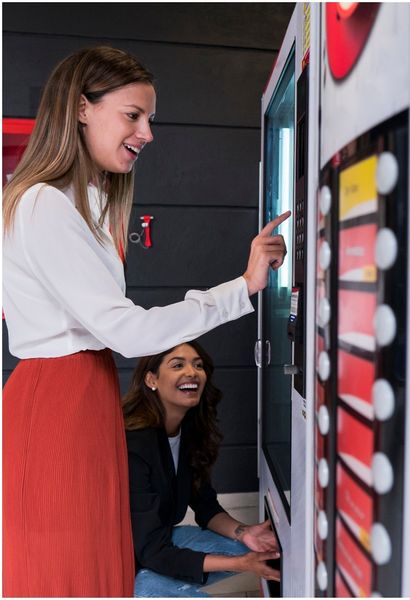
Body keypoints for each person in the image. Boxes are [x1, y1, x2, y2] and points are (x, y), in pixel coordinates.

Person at [2, 46, 288, 597]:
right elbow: (127, 331)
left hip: (77, 394)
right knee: (68, 574)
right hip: (59, 400)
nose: (148, 133)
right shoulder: (44, 203)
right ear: (82, 108)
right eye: (133, 115)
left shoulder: (76, 202)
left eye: (149, 118)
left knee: (92, 570)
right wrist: (244, 287)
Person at [122, 340, 280, 597]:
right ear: (152, 379)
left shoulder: (187, 433)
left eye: (198, 365)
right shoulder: (135, 443)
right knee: (155, 586)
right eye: (178, 365)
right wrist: (240, 565)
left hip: (160, 544)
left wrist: (245, 532)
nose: (192, 372)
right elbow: (151, 551)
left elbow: (205, 505)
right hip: (124, 560)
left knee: (256, 547)